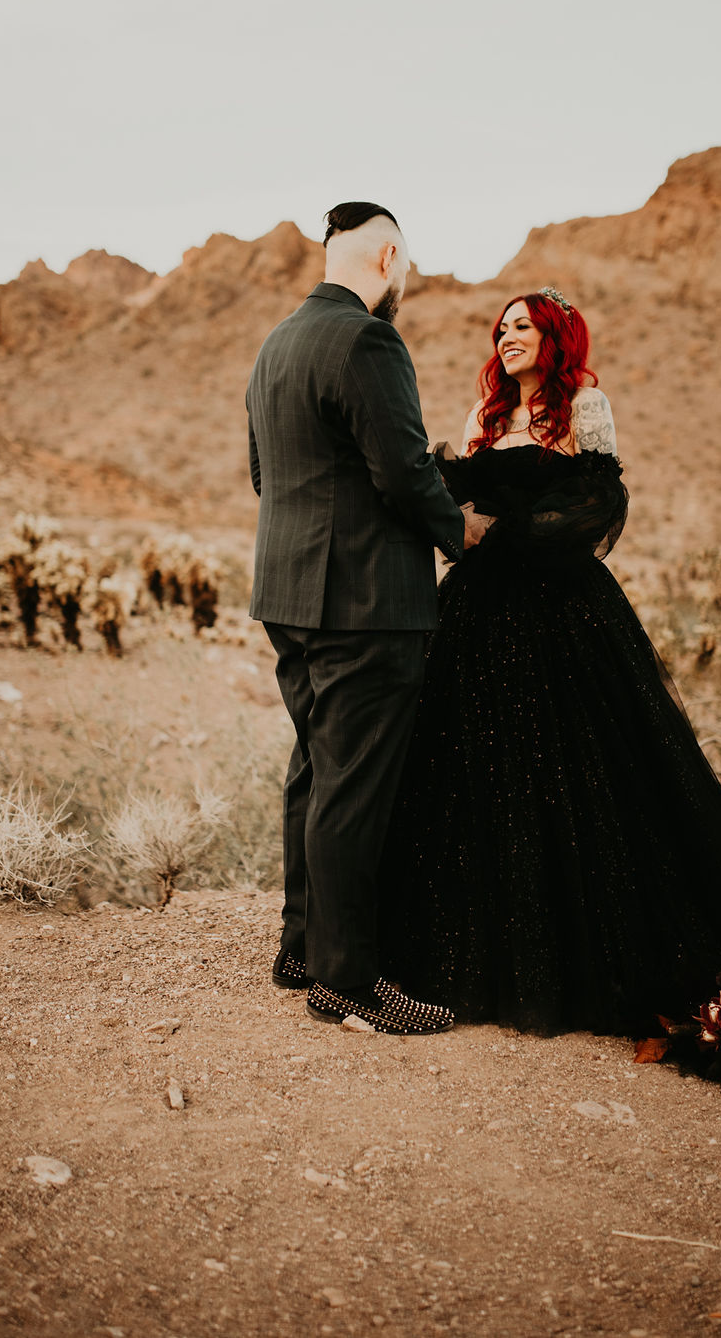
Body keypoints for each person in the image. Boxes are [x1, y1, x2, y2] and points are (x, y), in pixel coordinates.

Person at [379, 286, 721, 1095]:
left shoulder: (583, 408)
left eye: (523, 326)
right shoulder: (483, 418)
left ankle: (579, 951)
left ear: (556, 338)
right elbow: (454, 511)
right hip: (478, 625)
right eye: (501, 328)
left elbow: (596, 505)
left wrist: (507, 536)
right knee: (484, 780)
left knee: (585, 784)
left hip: (561, 623)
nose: (507, 337)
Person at [246, 201, 491, 1037]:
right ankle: (347, 981)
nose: (404, 281)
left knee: (316, 771)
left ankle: (301, 948)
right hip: (364, 601)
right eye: (406, 267)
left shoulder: (276, 345)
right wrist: (459, 530)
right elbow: (402, 472)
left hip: (289, 596)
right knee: (351, 787)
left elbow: (264, 474)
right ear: (388, 258)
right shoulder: (369, 341)